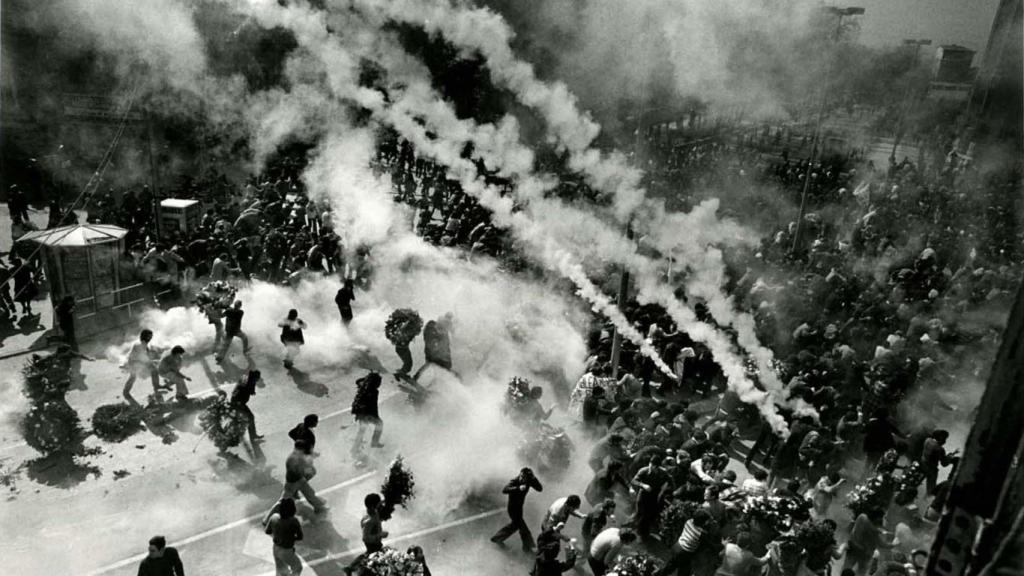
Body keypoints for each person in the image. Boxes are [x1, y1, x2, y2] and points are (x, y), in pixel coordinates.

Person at [491, 466, 544, 552]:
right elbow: (504, 490)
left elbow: (540, 489)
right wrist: (517, 488)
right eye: (521, 476)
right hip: (512, 508)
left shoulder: (529, 481)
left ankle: (497, 538)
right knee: (523, 528)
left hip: (519, 508)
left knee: (515, 526)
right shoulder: (514, 481)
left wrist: (534, 479)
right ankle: (527, 547)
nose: (522, 479)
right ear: (520, 474)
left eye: (525, 478)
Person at [656, 509, 710, 576]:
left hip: (677, 546)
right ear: (702, 522)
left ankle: (658, 574)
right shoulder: (701, 533)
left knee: (671, 565)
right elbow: (707, 543)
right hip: (685, 553)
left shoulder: (689, 522)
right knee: (684, 571)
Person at [344, 493, 388, 575]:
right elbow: (365, 537)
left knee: (368, 553)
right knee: (372, 555)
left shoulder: (372, 511)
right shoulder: (369, 521)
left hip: (374, 541)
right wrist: (380, 535)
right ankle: (360, 571)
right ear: (372, 506)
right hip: (372, 542)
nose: (380, 505)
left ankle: (350, 567)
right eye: (378, 504)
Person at [842, 509, 894, 576]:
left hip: (852, 546)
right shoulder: (873, 530)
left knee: (846, 568)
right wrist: (893, 544)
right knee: (861, 572)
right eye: (883, 517)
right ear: (878, 518)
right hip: (864, 554)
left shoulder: (862, 516)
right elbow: (882, 544)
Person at [265, 497, 303, 575]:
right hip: (287, 550)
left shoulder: (274, 517)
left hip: (276, 548)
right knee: (297, 567)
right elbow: (300, 537)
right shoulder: (293, 521)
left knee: (281, 570)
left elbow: (267, 531)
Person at [351, 372, 384, 463]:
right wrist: (376, 417)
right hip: (367, 413)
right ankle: (374, 442)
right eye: (379, 382)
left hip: (360, 413)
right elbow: (374, 406)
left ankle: (355, 448)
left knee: (361, 431)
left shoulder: (364, 387)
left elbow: (358, 381)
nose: (380, 384)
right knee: (379, 424)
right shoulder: (373, 392)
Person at [123, 329, 160, 399]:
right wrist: (152, 362)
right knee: (154, 370)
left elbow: (145, 355)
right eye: (149, 336)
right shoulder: (140, 344)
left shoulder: (143, 343)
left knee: (133, 377)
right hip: (135, 363)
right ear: (145, 336)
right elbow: (143, 357)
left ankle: (126, 391)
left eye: (151, 336)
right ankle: (156, 386)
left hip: (135, 362)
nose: (151, 338)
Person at [231, 370, 264, 444]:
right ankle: (253, 437)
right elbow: (251, 391)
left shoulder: (245, 378)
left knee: (240, 419)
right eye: (257, 378)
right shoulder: (250, 383)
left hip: (234, 400)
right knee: (250, 418)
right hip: (239, 403)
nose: (257, 380)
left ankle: (252, 436)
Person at [920, 429, 955, 495]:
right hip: (931, 469)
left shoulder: (927, 440)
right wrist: (950, 456)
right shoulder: (939, 449)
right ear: (941, 438)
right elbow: (944, 464)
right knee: (931, 488)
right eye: (944, 438)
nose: (945, 441)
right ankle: (929, 495)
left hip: (922, 464)